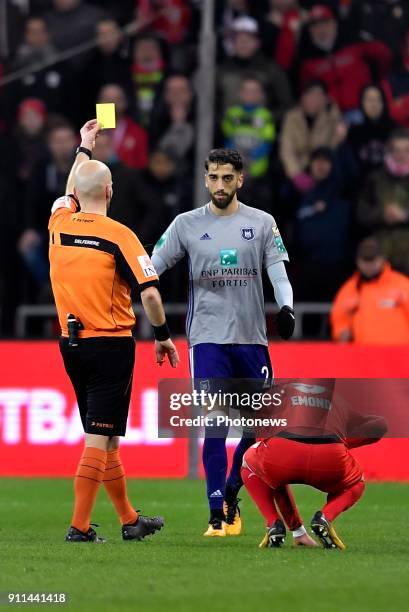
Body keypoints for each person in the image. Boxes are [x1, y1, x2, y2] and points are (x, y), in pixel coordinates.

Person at [151, 148, 297, 536]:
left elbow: (278, 272)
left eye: (227, 178)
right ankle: (216, 513)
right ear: (205, 179)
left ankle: (233, 488)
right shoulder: (186, 224)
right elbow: (153, 264)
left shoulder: (262, 223)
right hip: (208, 339)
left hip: (252, 339)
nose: (220, 185)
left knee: (256, 430)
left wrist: (286, 308)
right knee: (214, 425)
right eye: (214, 177)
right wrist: (144, 295)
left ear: (240, 180)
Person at [49, 119, 179, 542]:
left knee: (107, 438)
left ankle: (129, 520)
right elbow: (152, 295)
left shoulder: (59, 224)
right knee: (97, 436)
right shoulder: (120, 235)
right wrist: (161, 335)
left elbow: (68, 193)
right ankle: (79, 526)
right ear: (109, 192)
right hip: (110, 345)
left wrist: (83, 149)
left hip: (71, 344)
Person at [241, 380, 387, 549]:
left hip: (282, 454)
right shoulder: (336, 400)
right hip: (330, 457)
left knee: (253, 466)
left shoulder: (278, 394)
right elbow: (379, 426)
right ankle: (325, 517)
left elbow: (254, 415)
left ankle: (273, 523)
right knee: (357, 482)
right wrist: (344, 442)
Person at [298, 4, 392, 118]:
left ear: (334, 24)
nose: (322, 29)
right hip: (331, 118)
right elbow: (306, 91)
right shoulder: (307, 61)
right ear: (310, 30)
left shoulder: (353, 44)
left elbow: (384, 56)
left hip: (363, 110)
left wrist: (377, 81)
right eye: (316, 25)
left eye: (325, 23)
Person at [331, 238, 409, 345]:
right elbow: (339, 317)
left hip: (400, 353)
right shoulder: (350, 290)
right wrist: (341, 331)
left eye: (372, 260)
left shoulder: (402, 284)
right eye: (365, 260)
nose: (369, 265)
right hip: (365, 355)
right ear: (357, 261)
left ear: (382, 259)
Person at [218, 16, 293, 120]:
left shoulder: (270, 69)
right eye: (239, 39)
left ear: (257, 43)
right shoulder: (222, 70)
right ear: (232, 42)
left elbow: (286, 105)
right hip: (228, 130)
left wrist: (268, 118)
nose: (243, 43)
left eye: (248, 39)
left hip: (263, 131)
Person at [357, 129, 409, 274]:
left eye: (406, 150)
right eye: (397, 150)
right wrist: (382, 215)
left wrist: (404, 216)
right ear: (390, 151)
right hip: (381, 260)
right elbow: (361, 213)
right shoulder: (375, 178)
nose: (401, 155)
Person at [280, 80, 344, 193]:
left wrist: (338, 133)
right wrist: (296, 174)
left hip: (323, 171)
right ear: (302, 98)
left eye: (319, 96)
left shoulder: (331, 117)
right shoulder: (291, 118)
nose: (314, 100)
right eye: (310, 95)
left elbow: (331, 149)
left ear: (325, 99)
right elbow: (286, 150)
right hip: (298, 170)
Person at [347, 85, 396, 175]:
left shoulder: (395, 129)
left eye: (378, 99)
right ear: (362, 103)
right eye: (369, 100)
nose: (374, 104)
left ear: (383, 103)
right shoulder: (353, 132)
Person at [97, 83, 148, 170]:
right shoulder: (89, 132)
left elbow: (142, 165)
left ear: (125, 103)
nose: (111, 104)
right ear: (98, 102)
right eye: (107, 100)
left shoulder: (137, 132)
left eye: (116, 99)